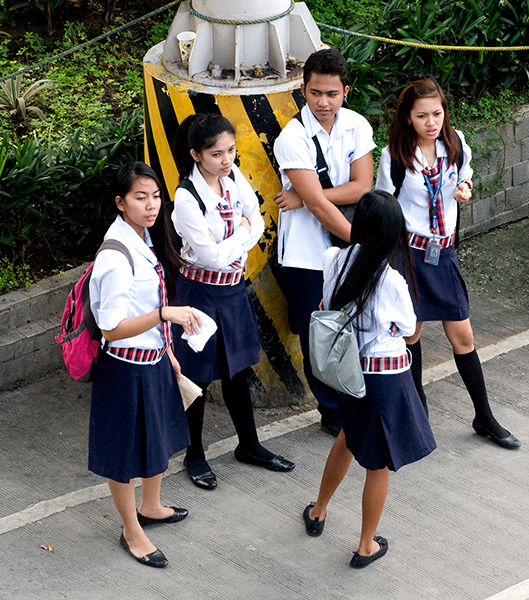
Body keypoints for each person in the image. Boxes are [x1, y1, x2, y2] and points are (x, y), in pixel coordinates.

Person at [375, 78, 520, 450]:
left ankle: (483, 416)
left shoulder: (454, 147)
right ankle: (418, 407)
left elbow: (466, 175)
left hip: (444, 253)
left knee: (464, 335)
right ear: (407, 117)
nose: (431, 122)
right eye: (422, 115)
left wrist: (464, 189)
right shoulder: (395, 157)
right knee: (411, 333)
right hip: (408, 253)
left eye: (437, 113)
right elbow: (384, 207)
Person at [302, 190, 436, 568]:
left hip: (345, 371)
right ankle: (365, 545)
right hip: (382, 379)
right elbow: (410, 332)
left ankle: (319, 510)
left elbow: (326, 305)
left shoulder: (332, 259)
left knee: (348, 435)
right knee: (377, 464)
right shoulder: (391, 279)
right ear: (394, 235)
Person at [171, 113, 295, 491]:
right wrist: (241, 234)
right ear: (196, 155)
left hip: (232, 289)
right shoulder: (186, 199)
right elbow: (209, 258)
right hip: (200, 293)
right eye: (216, 154)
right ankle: (195, 454)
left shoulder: (232, 179)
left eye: (231, 151)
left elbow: (256, 219)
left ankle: (250, 445)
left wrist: (238, 235)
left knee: (238, 369)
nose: (226, 161)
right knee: (197, 375)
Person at [89, 162, 199, 568]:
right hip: (124, 367)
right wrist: (164, 316)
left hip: (151, 360)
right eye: (140, 197)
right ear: (120, 203)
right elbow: (112, 328)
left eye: (155, 196)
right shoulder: (116, 256)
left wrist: (167, 351)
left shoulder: (144, 235)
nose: (151, 205)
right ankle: (131, 529)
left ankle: (150, 506)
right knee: (122, 454)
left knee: (158, 438)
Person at [273, 48, 375, 437]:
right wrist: (362, 245)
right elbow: (317, 205)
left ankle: (353, 398)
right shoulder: (292, 138)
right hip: (306, 255)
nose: (323, 102)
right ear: (303, 90)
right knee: (318, 336)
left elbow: (362, 186)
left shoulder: (356, 126)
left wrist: (306, 195)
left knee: (353, 326)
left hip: (346, 248)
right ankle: (332, 412)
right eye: (315, 93)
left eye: (331, 93)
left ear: (345, 91)